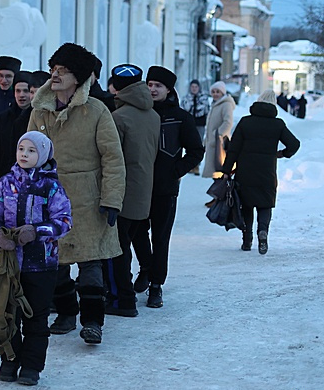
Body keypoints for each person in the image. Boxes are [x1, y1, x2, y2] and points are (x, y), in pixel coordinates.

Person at [28, 43, 126, 345]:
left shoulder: (96, 111)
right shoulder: (40, 111)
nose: (55, 75)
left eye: (63, 71)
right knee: (54, 261)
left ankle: (93, 321)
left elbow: (113, 158)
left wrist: (111, 199)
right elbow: (27, 153)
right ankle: (67, 313)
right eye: (53, 69)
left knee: (90, 263)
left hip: (88, 200)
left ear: (79, 78)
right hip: (50, 199)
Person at [0, 131, 72, 386]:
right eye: (21, 149)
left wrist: (37, 231)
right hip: (9, 265)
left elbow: (64, 221)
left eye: (31, 150)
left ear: (43, 155)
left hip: (41, 265)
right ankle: (9, 361)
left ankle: (32, 366)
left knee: (36, 317)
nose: (24, 154)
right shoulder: (5, 182)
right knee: (7, 315)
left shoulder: (51, 186)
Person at [137, 65, 203, 309]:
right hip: (138, 186)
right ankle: (146, 267)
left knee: (161, 237)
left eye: (158, 86)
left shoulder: (181, 117)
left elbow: (196, 151)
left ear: (169, 90)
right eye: (150, 84)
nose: (153, 89)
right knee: (137, 233)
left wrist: (175, 171)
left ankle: (156, 285)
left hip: (165, 188)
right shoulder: (138, 113)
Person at [103, 64, 159, 317]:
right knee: (126, 247)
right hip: (143, 192)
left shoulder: (119, 117)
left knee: (116, 250)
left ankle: (122, 300)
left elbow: (112, 159)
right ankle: (124, 297)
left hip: (123, 193)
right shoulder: (153, 115)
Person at [222, 89, 300, 254]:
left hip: (245, 171)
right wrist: (281, 154)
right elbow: (294, 144)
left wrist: (227, 170)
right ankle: (262, 232)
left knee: (247, 206)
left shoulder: (245, 122)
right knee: (265, 205)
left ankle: (247, 240)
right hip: (267, 172)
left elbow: (233, 150)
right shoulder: (278, 124)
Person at [0, 71, 33, 198]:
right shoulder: (2, 119)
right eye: (18, 91)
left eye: (26, 91)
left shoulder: (38, 118)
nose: (21, 95)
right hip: (4, 182)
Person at [201, 81, 236, 179]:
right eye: (213, 92)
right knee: (215, 174)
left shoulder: (226, 105)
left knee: (218, 171)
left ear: (222, 93)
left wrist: (218, 134)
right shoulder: (215, 104)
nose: (215, 94)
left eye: (218, 92)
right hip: (213, 143)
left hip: (219, 144)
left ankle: (221, 194)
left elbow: (228, 122)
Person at [180, 80, 209, 174]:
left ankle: (197, 166)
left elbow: (207, 111)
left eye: (196, 87)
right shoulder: (186, 98)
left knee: (198, 144)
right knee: (188, 143)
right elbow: (183, 110)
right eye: (192, 87)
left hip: (200, 124)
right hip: (189, 124)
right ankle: (190, 165)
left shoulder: (204, 99)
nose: (194, 89)